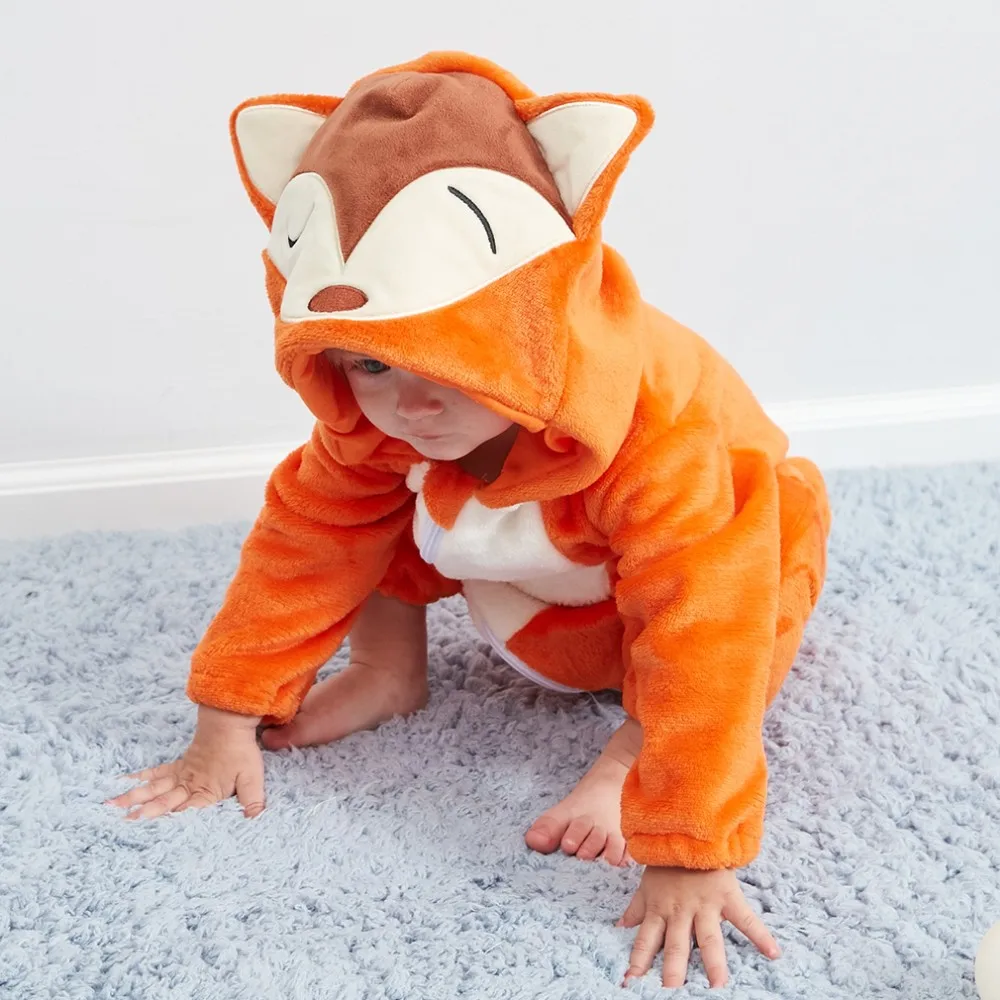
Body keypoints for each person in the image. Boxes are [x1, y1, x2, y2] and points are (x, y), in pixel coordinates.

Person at [106, 51, 832, 990]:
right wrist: (225, 718)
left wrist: (688, 846)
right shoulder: (376, 424)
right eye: (372, 365)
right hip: (536, 577)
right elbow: (303, 548)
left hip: (653, 591)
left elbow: (707, 625)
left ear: (529, 326)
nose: (410, 406)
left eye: (454, 366)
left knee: (762, 552)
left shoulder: (658, 429)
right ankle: (387, 671)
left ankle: (623, 754)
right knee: (361, 501)